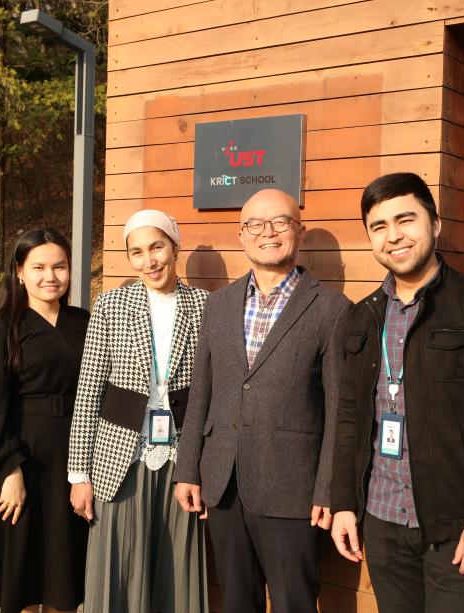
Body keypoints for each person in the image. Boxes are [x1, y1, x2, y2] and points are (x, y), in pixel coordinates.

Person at [330, 172, 464, 613]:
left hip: (458, 527)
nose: (393, 236)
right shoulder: (362, 318)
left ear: (435, 225)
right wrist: (344, 502)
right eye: (379, 226)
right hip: (382, 521)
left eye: (406, 220)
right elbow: (349, 419)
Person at [174, 188, 351, 613]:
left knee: (295, 602)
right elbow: (202, 392)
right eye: (255, 224)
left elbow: (339, 410)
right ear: (241, 235)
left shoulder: (332, 309)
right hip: (224, 482)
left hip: (293, 488)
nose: (267, 232)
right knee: (236, 601)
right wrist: (188, 469)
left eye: (280, 222)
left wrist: (328, 488)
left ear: (299, 232)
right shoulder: (217, 306)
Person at [67, 210, 209, 613]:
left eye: (157, 247)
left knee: (175, 566)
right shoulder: (111, 305)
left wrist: (205, 467)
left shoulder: (205, 306)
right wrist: (79, 475)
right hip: (119, 458)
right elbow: (88, 391)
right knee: (119, 566)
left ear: (174, 247)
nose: (150, 261)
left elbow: (212, 393)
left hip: (183, 460)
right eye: (138, 252)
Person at [0, 229, 89, 612]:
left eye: (60, 266)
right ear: (19, 271)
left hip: (75, 460)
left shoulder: (83, 322)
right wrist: (9, 471)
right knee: (25, 581)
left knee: (65, 578)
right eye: (39, 267)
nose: (51, 276)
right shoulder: (3, 327)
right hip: (22, 461)